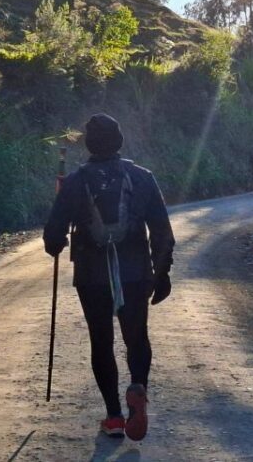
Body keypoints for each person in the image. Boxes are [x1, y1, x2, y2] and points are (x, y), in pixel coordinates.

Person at [43, 114, 175, 441]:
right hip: (135, 272)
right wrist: (161, 274)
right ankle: (138, 387)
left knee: (101, 341)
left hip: (92, 275)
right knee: (137, 337)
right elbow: (162, 233)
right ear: (119, 142)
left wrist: (60, 239)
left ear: (89, 144)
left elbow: (51, 240)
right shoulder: (142, 177)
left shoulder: (75, 181)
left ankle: (114, 417)